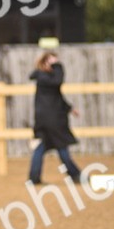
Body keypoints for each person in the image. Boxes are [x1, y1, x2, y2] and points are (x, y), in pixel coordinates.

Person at [28, 51, 81, 185]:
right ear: (45, 62)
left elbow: (57, 96)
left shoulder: (44, 78)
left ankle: (34, 177)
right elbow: (58, 81)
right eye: (54, 62)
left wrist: (70, 108)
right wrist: (58, 66)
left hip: (44, 119)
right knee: (61, 146)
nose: (56, 65)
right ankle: (75, 174)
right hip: (53, 120)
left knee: (41, 147)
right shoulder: (45, 77)